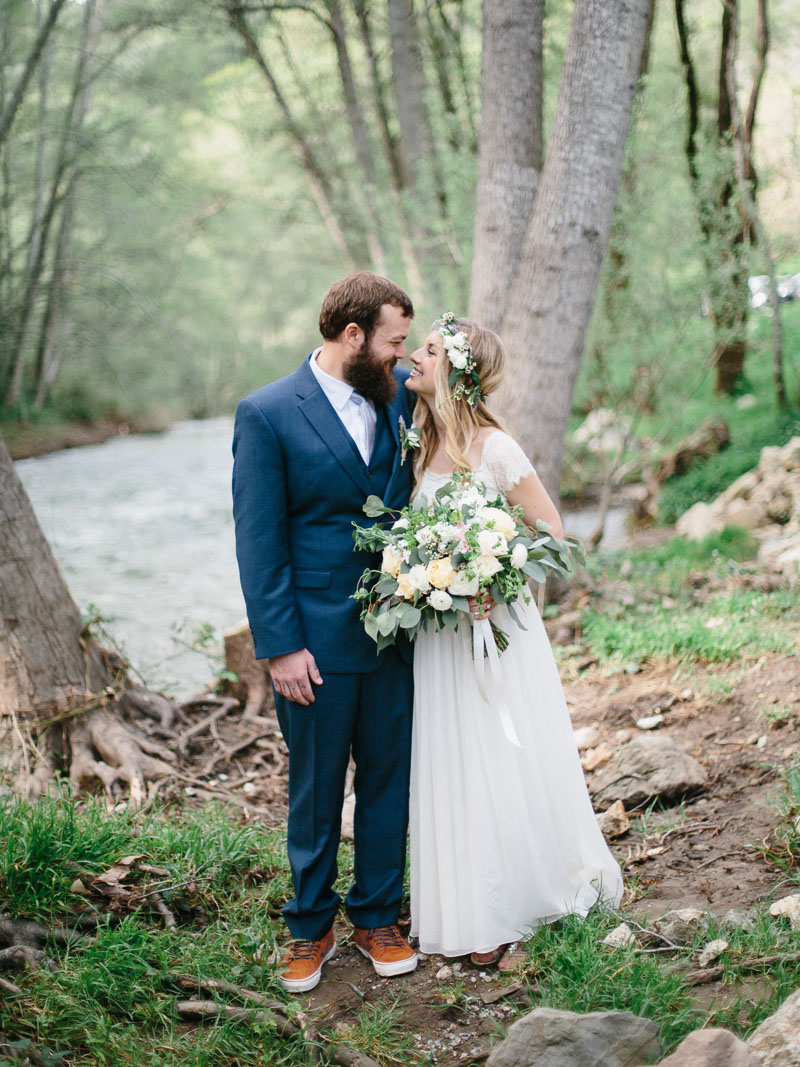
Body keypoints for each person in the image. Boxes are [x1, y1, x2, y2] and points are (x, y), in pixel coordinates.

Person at [404, 315, 623, 966]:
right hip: (440, 636)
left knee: (500, 754)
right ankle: (466, 901)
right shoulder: (421, 446)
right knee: (453, 760)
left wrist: (496, 577)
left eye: (430, 349)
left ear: (459, 370)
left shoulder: (496, 449)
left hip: (495, 633)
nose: (415, 353)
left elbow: (553, 533)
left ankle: (516, 900)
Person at [232, 272, 420, 992]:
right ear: (354, 337)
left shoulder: (401, 397)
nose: (401, 357)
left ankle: (377, 913)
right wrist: (278, 645)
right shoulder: (269, 413)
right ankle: (309, 925)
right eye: (393, 342)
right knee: (314, 788)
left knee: (387, 779)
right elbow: (259, 539)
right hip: (311, 642)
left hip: (396, 631)